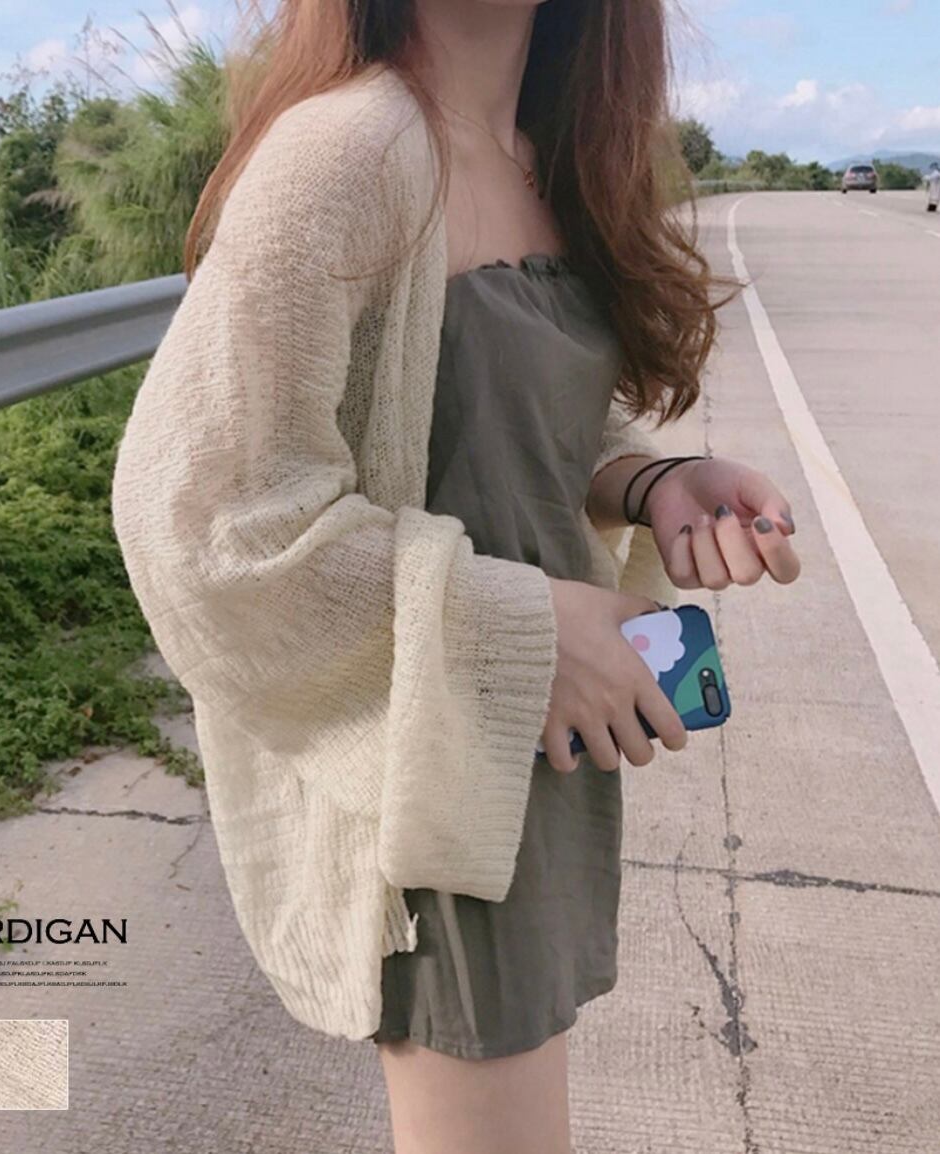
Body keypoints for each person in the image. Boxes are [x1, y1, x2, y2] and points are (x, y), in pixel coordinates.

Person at [110, 2, 803, 1152]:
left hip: (538, 759)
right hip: (439, 770)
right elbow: (200, 517)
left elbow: (502, 427)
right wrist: (518, 629)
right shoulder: (347, 152)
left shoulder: (544, 152)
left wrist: (649, 481)